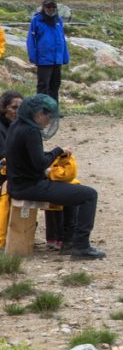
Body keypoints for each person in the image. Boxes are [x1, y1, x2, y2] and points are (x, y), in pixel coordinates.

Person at [4, 95, 104, 259]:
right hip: (30, 187)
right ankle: (81, 246)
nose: (49, 121)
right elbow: (40, 163)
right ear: (38, 114)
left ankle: (69, 241)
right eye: (48, 116)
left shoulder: (16, 126)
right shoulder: (31, 131)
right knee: (89, 195)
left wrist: (53, 154)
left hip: (17, 185)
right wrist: (58, 150)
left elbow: (28, 156)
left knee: (74, 190)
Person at [27, 0, 69, 102]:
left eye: (53, 7)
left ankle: (53, 110)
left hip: (57, 59)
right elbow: (31, 40)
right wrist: (33, 56)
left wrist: (65, 56)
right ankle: (41, 110)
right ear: (43, 7)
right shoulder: (36, 20)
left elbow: (62, 39)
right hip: (44, 59)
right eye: (48, 7)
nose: (51, 9)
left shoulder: (58, 20)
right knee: (43, 85)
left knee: (55, 85)